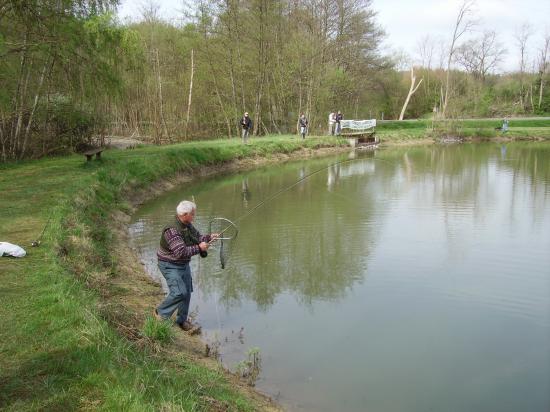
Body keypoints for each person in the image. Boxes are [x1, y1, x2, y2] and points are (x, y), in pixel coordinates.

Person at [154, 200, 218, 332]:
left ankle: (181, 321)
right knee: (179, 292)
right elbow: (180, 252)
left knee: (187, 292)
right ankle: (160, 313)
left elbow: (198, 237)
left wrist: (209, 237)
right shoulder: (172, 230)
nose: (194, 216)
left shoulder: (187, 224)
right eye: (192, 214)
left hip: (183, 264)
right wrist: (200, 247)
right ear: (183, 214)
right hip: (169, 264)